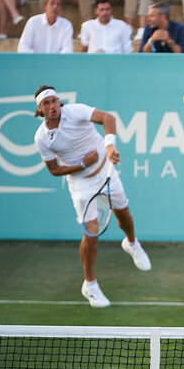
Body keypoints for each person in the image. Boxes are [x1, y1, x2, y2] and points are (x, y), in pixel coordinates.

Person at [33, 85, 151, 308]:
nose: (52, 106)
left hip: (106, 170)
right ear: (40, 109)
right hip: (81, 184)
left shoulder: (75, 111)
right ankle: (90, 284)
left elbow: (107, 117)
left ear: (59, 102)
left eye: (54, 101)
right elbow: (54, 170)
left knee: (123, 214)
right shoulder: (42, 138)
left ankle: (132, 243)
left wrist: (109, 147)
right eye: (46, 104)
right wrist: (81, 165)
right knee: (92, 233)